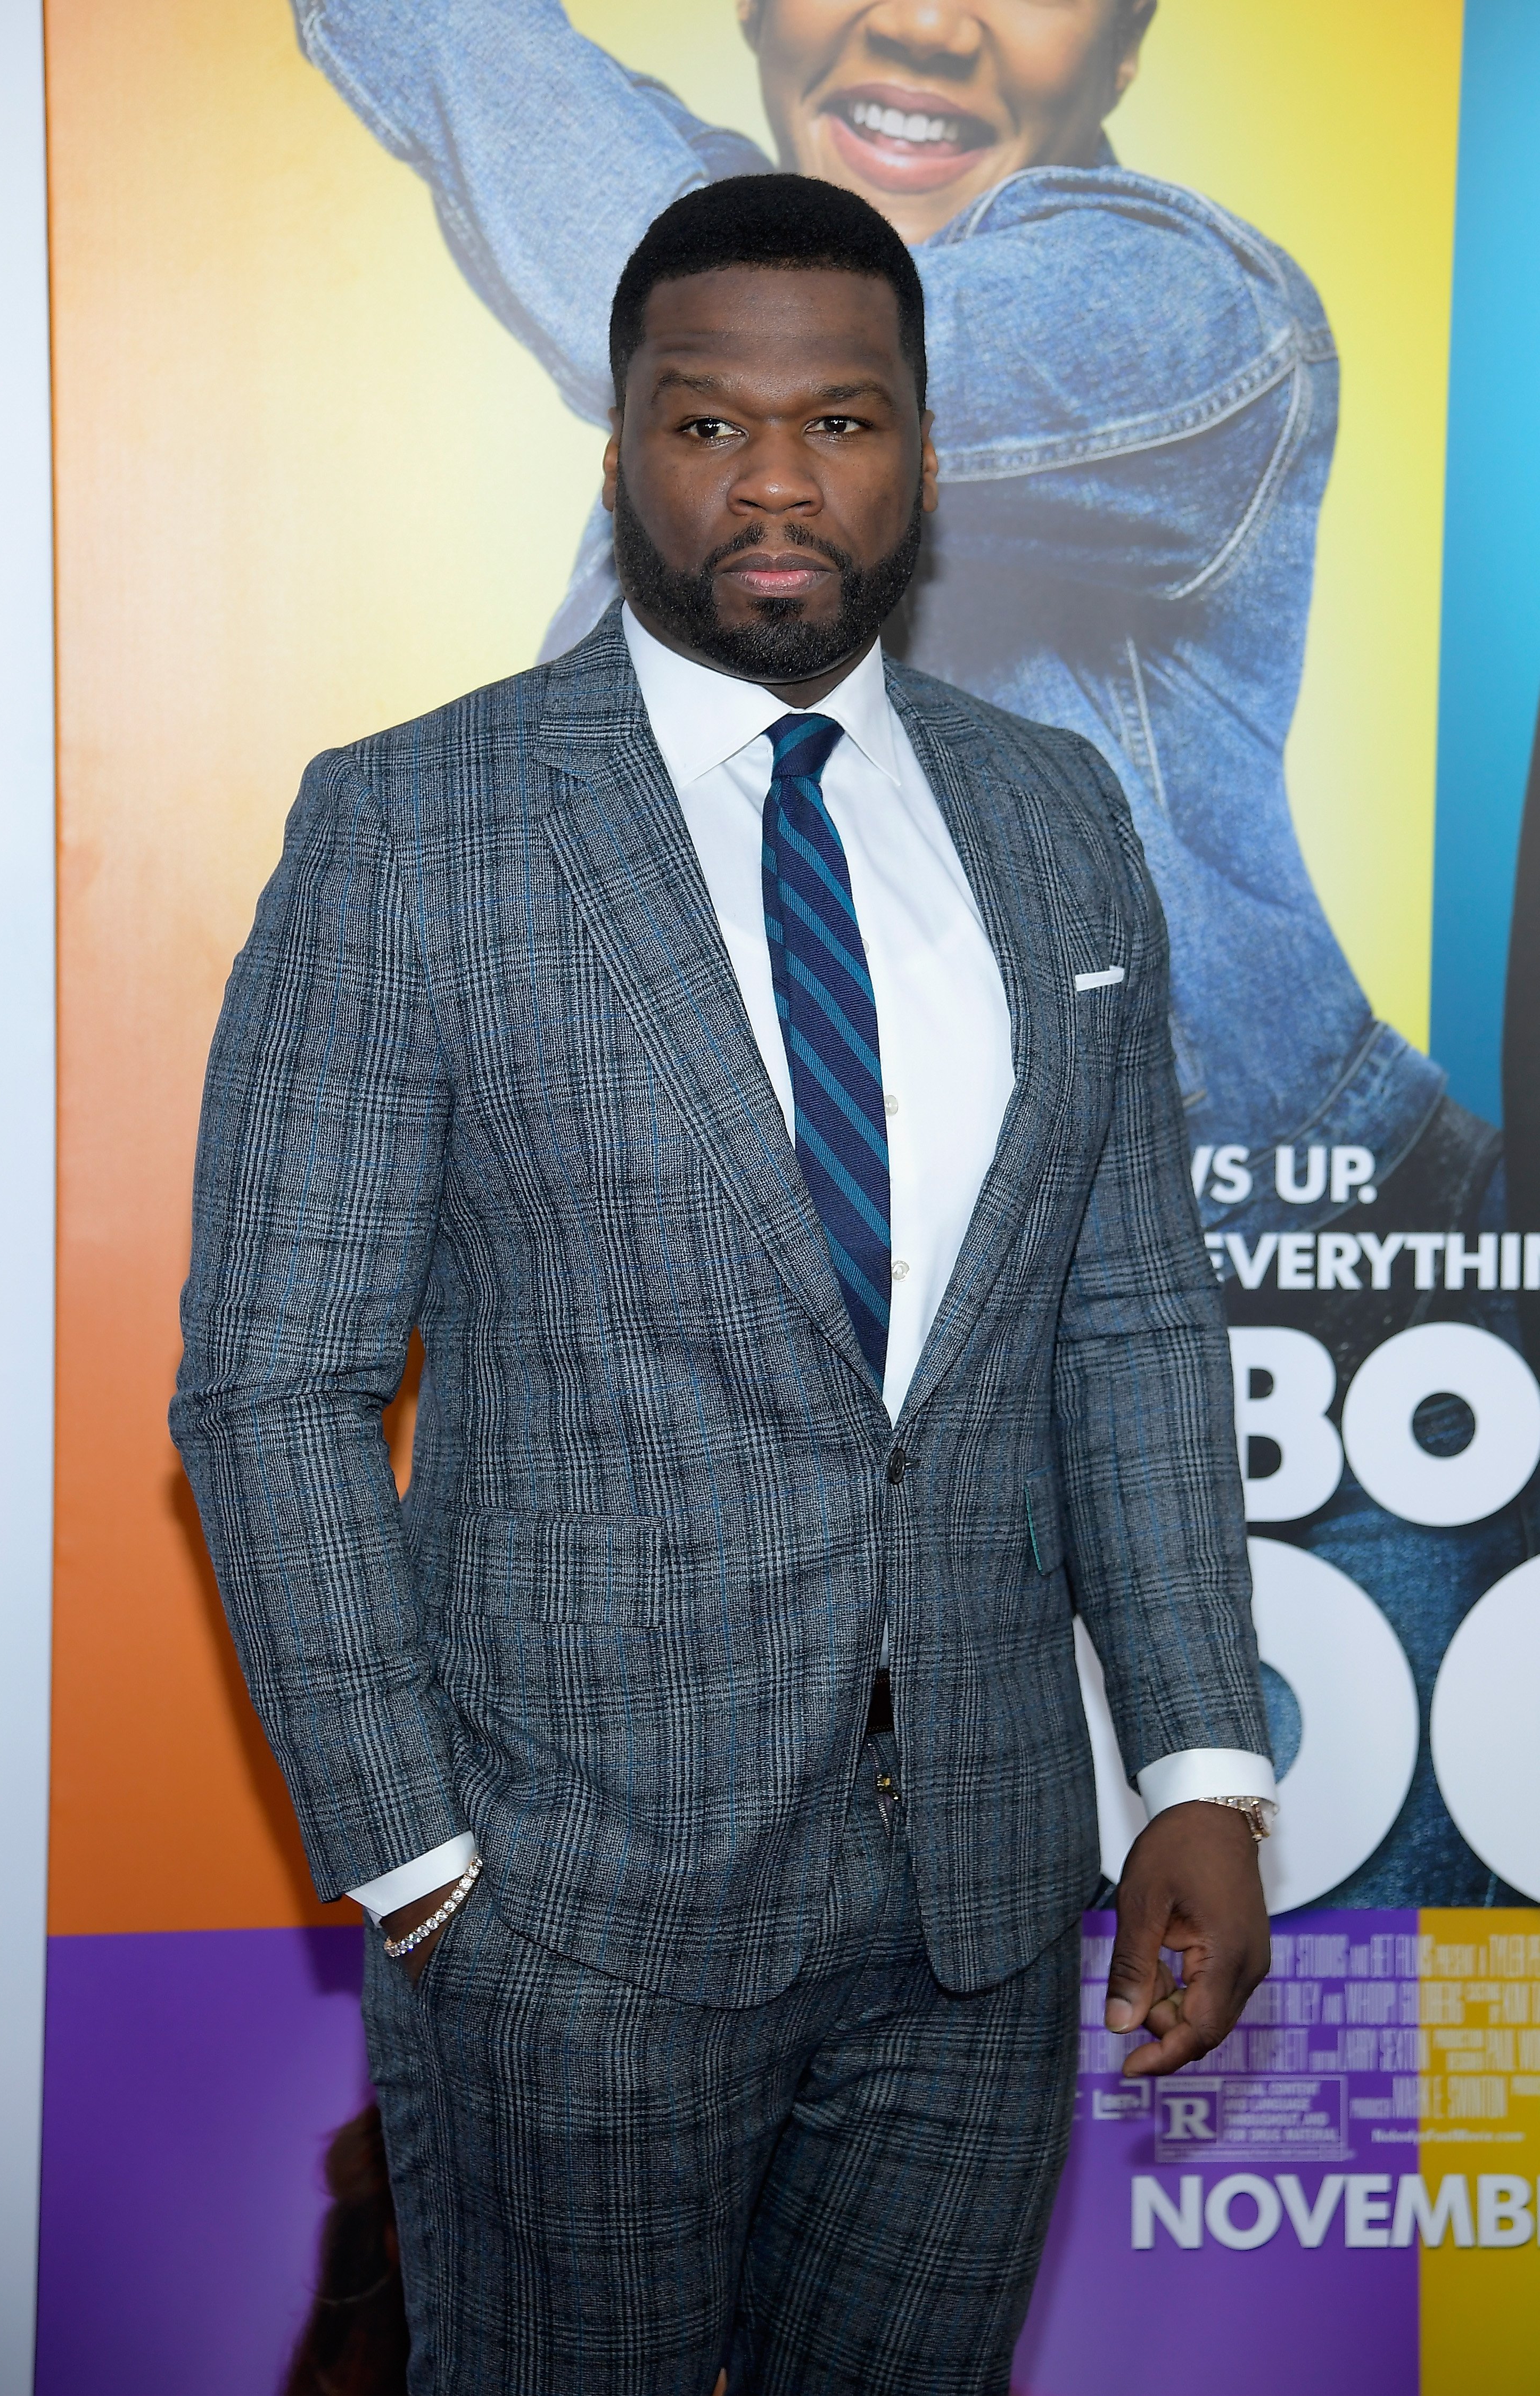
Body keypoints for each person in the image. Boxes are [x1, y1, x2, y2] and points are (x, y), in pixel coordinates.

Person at [173, 178, 1274, 2393]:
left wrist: (1198, 1770)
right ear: (618, 446)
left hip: (976, 1909)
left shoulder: (1057, 817)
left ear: (923, 452)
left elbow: (1130, 1319)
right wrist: (418, 1868)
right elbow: (272, 1386)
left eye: (844, 418)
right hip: (567, 1926)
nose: (778, 481)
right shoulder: (416, 824)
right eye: (707, 424)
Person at [289, 0, 1535, 1907]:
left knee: (1303, 2063)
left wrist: (699, 345)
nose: (926, 19)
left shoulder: (1179, 304)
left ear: (1121, 48)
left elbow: (673, 260)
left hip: (1279, 1353)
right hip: (818, 1438)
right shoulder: (722, 330)